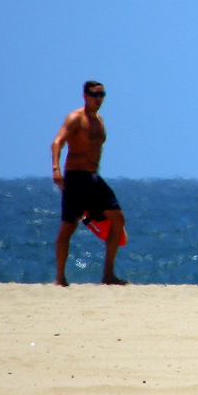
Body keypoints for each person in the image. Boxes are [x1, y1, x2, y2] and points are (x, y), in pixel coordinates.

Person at [51, 81, 127, 286]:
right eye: (95, 94)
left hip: (93, 178)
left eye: (102, 94)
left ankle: (108, 275)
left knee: (118, 219)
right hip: (75, 177)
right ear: (85, 95)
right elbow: (57, 142)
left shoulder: (100, 121)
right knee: (68, 226)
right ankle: (60, 277)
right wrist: (56, 168)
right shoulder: (76, 118)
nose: (99, 98)